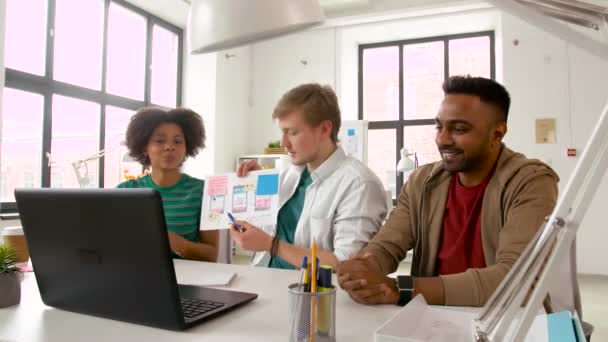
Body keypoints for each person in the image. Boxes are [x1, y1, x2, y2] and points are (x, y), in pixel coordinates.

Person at [337, 76, 559, 307]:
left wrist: (401, 288)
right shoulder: (421, 183)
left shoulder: (531, 182)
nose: (442, 139)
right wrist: (366, 267)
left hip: (501, 322)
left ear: (497, 134)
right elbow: (387, 245)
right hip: (431, 318)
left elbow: (516, 279)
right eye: (439, 126)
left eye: (459, 129)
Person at [231, 83, 388, 270]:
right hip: (262, 277)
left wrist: (271, 245)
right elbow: (266, 224)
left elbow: (345, 264)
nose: (284, 143)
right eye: (282, 132)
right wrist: (257, 182)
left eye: (293, 132)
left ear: (324, 129)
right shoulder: (292, 172)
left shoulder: (360, 184)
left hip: (311, 294)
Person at [117, 107, 219, 262]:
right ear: (145, 147)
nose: (169, 147)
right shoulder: (125, 191)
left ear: (186, 148)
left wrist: (178, 244)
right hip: (136, 275)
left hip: (187, 281)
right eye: (160, 141)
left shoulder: (204, 192)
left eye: (178, 141)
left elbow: (212, 255)